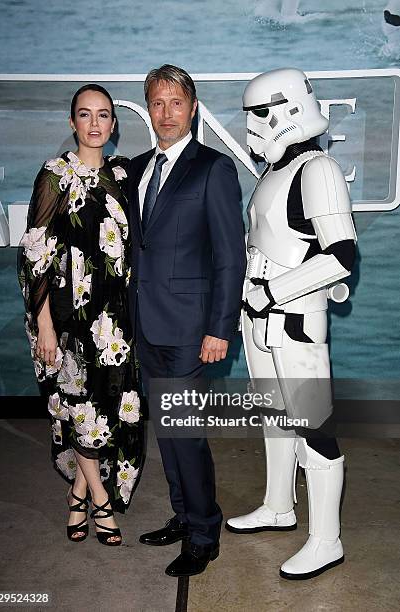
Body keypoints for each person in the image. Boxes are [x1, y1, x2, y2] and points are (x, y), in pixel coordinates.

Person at [225, 68, 357, 579]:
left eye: (261, 113)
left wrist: (272, 292)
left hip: (295, 319)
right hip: (257, 319)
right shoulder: (275, 174)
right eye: (251, 114)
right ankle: (279, 504)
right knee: (275, 418)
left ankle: (327, 539)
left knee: (314, 428)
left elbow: (341, 255)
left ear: (290, 109)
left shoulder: (318, 170)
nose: (254, 125)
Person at [128, 65, 246, 577]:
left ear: (193, 107)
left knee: (187, 436)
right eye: (157, 102)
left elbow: (229, 256)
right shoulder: (134, 169)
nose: (166, 113)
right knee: (167, 434)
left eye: (176, 102)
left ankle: (203, 533)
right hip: (143, 326)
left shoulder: (213, 169)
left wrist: (220, 327)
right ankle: (182, 515)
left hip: (191, 330)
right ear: (147, 109)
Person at [18, 84, 145, 546]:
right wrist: (45, 324)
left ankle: (76, 495)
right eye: (85, 115)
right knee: (83, 411)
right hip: (67, 323)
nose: (95, 123)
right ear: (72, 123)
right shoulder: (54, 175)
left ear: (114, 125)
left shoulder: (123, 175)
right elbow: (36, 254)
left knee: (108, 413)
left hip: (115, 323)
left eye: (104, 115)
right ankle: (100, 502)